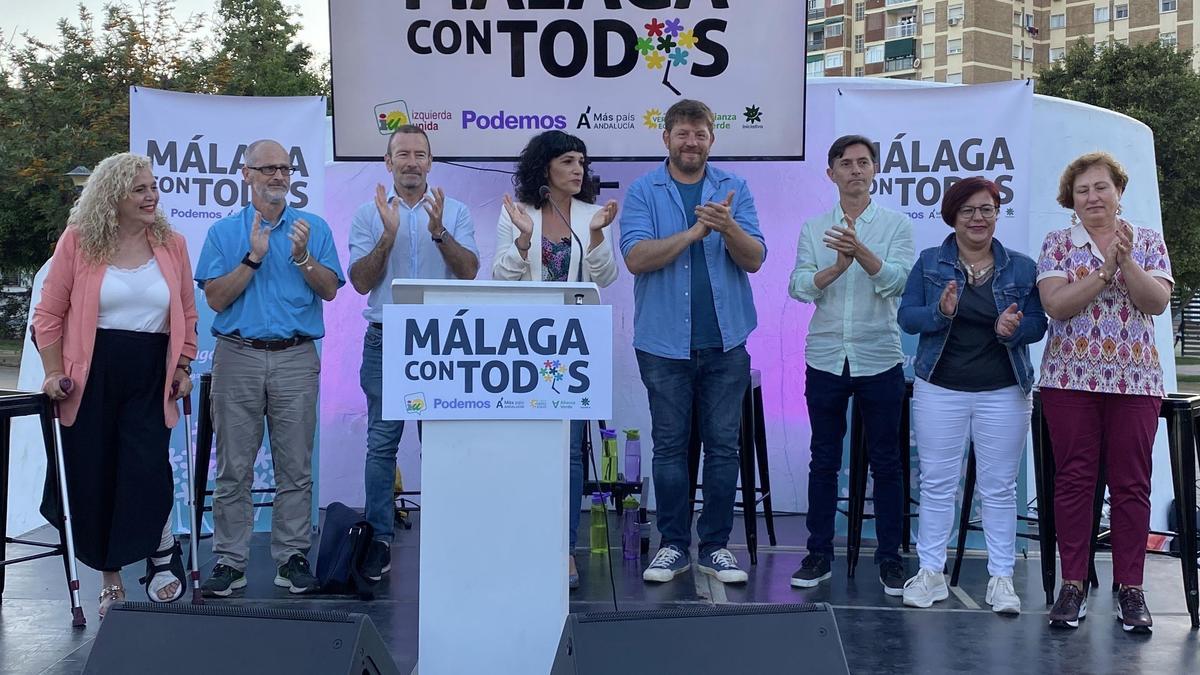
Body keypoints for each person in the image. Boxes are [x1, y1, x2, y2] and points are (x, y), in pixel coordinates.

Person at [33, 152, 198, 618]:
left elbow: (186, 313)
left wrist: (183, 366)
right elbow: (47, 316)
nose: (152, 196)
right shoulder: (80, 241)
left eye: (153, 187)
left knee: (145, 467)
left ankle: (161, 547)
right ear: (113, 196)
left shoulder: (173, 244)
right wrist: (51, 372)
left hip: (150, 371)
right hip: (91, 374)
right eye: (140, 189)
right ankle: (110, 581)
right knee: (97, 475)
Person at [620, 99, 765, 585]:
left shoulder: (733, 188)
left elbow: (755, 259)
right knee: (670, 448)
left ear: (711, 140)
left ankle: (717, 546)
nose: (691, 142)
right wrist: (695, 232)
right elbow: (637, 258)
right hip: (663, 345)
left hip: (726, 344)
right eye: (682, 133)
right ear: (666, 139)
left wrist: (729, 228)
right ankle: (673, 545)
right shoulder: (643, 191)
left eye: (700, 133)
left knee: (724, 448)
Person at [196, 139, 345, 597]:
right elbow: (217, 299)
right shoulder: (225, 232)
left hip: (296, 357)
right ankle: (229, 561)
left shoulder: (312, 228)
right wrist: (254, 256)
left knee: (295, 466)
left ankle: (292, 556)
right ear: (247, 174)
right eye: (267, 169)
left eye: (284, 168)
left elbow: (330, 290)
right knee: (234, 467)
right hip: (237, 355)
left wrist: (302, 258)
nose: (278, 176)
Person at [896, 177, 1047, 614]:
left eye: (987, 209)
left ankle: (1001, 579)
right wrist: (940, 312)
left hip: (1003, 390)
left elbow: (1039, 321)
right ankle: (931, 573)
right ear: (952, 217)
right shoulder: (929, 262)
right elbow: (908, 318)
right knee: (938, 484)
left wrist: (1014, 328)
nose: (978, 218)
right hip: (940, 387)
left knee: (999, 488)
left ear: (998, 214)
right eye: (968, 211)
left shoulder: (1021, 267)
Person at [1036, 152, 1172, 633]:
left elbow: (1155, 301)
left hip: (1135, 381)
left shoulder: (1148, 240)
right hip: (1069, 381)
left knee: (1132, 485)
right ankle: (1072, 585)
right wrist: (1101, 271)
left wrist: (1125, 261)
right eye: (1082, 190)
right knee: (1074, 481)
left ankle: (1130, 588)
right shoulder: (1057, 244)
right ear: (1070, 200)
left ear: (1118, 191)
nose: (1093, 197)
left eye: (1101, 187)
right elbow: (1056, 305)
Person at [348, 124, 479, 582]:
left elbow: (469, 274)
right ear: (388, 163)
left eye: (419, 154)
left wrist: (439, 232)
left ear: (430, 162)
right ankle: (379, 539)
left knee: (441, 444)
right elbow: (362, 282)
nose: (411, 162)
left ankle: (448, 532)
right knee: (382, 445)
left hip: (441, 341)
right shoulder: (369, 214)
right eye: (402, 154)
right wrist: (388, 235)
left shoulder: (455, 211)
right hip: (387, 339)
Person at [787, 135, 914, 596]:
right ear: (831, 173)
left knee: (887, 462)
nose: (855, 170)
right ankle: (819, 552)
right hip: (825, 357)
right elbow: (800, 286)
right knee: (823, 459)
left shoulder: (896, 225)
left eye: (863, 163)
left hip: (879, 355)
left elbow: (898, 282)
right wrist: (837, 267)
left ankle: (890, 559)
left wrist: (861, 253)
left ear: (875, 170)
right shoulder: (814, 226)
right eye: (846, 163)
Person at [493, 129, 619, 589]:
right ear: (545, 167)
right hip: (523, 344)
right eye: (567, 161)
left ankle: (563, 549)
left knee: (568, 453)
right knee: (524, 448)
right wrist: (524, 243)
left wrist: (600, 236)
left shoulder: (593, 215)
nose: (577, 169)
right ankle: (522, 541)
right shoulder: (518, 213)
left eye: (581, 162)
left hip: (573, 344)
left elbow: (606, 277)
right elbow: (500, 277)